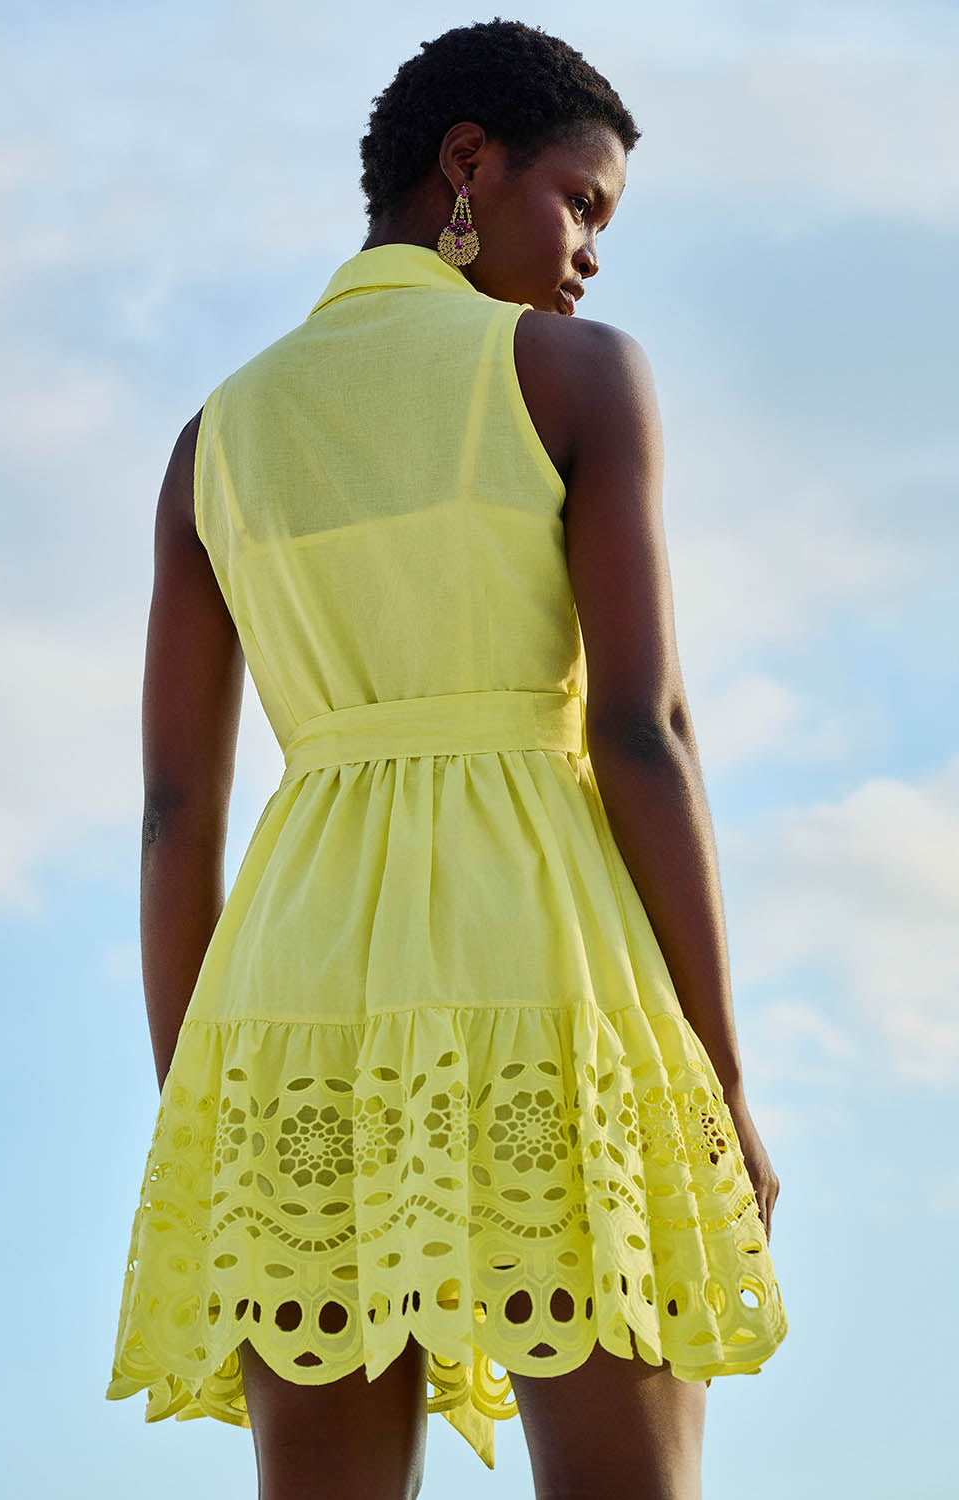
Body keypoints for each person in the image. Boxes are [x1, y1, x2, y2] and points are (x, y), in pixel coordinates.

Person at [105, 18, 787, 1500]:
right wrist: (725, 1076)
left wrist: (202, 1107)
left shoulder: (212, 439)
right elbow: (640, 731)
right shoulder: (576, 376)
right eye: (583, 203)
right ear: (466, 164)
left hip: (289, 1004)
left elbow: (172, 817)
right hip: (543, 963)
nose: (595, 253)